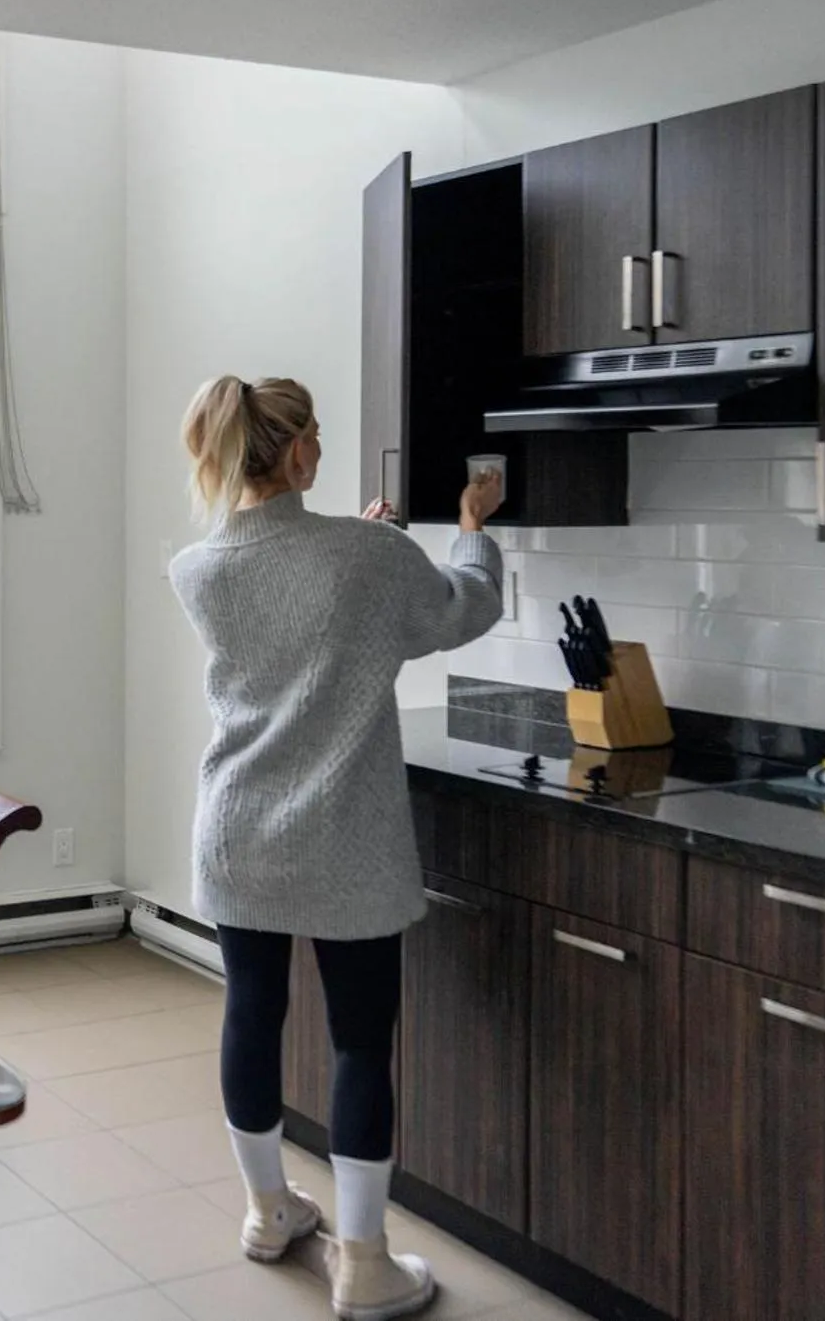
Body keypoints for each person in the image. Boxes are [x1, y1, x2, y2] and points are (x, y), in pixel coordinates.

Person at [169, 376, 503, 1321]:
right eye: (314, 431)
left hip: (237, 830)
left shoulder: (198, 567)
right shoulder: (365, 556)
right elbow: (459, 610)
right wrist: (471, 524)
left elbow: (303, 599)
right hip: (342, 839)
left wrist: (362, 544)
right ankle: (363, 1262)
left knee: (252, 1015)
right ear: (301, 451)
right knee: (360, 1043)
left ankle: (269, 1211)